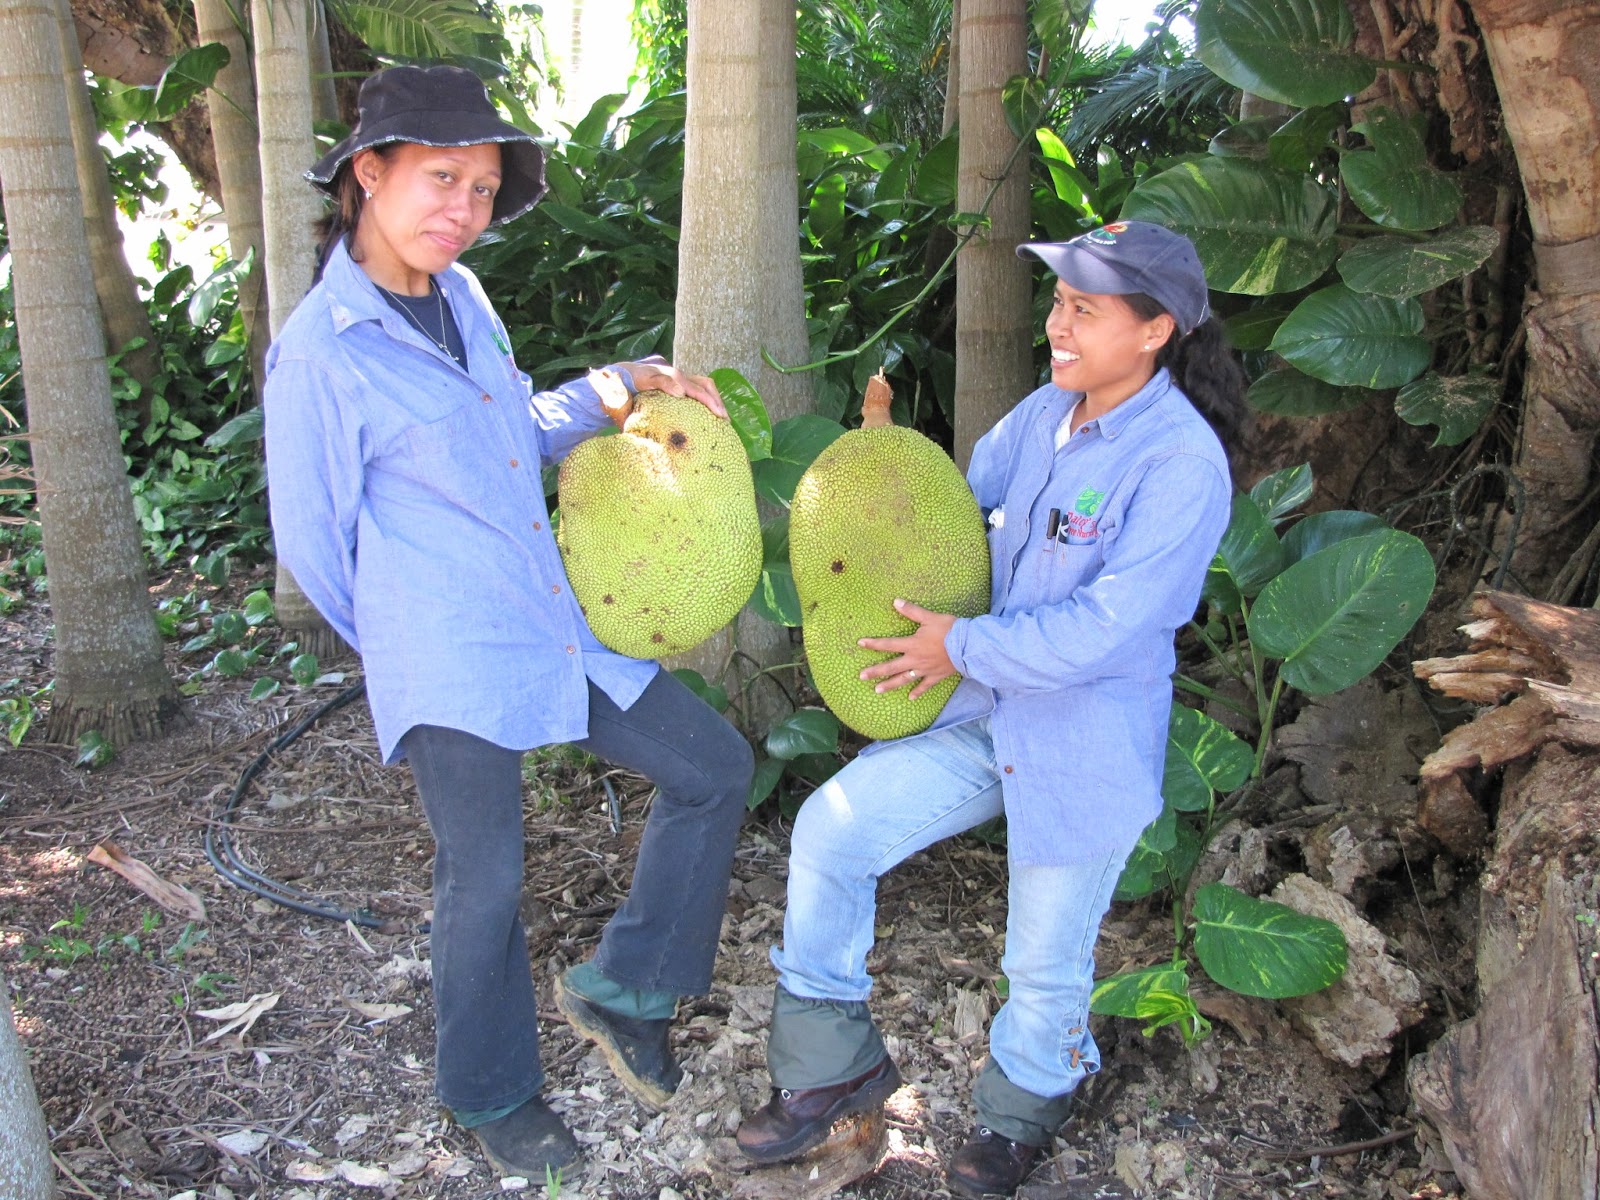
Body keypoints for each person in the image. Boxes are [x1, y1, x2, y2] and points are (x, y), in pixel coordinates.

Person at [262, 64, 754, 1182]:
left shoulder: (462, 298)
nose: (464, 211)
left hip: (548, 623)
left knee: (713, 766)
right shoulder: (322, 352)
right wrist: (407, 638)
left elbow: (510, 430)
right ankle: (490, 1093)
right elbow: (312, 547)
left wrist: (612, 385)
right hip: (446, 652)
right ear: (367, 175)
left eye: (482, 189)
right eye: (443, 180)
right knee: (483, 877)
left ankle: (624, 988)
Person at [734, 221, 1246, 1197]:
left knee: (1043, 961)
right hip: (986, 712)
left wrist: (955, 645)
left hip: (1086, 737)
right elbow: (953, 515)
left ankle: (1020, 1117)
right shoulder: (1042, 415)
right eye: (1057, 303)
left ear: (1155, 330)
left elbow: (1105, 628)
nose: (1058, 325)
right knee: (830, 834)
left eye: (1083, 309)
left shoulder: (1182, 463)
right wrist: (878, 470)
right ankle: (828, 1067)